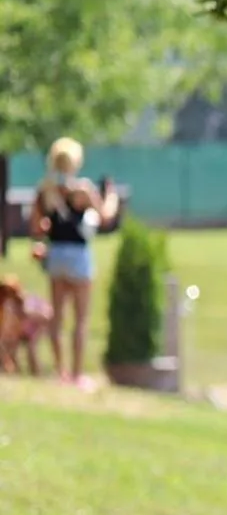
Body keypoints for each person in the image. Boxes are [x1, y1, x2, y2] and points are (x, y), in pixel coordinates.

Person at [29, 138, 116, 390]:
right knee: (80, 318)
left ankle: (60, 371)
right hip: (78, 255)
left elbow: (36, 227)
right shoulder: (83, 190)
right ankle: (77, 374)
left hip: (56, 254)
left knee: (57, 316)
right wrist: (110, 196)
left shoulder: (45, 191)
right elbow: (104, 217)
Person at [0, 274, 51, 376]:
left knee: (31, 350)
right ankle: (14, 371)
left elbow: (46, 315)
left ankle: (37, 373)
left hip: (32, 331)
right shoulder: (6, 305)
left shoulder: (27, 301)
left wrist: (28, 314)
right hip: (17, 332)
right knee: (9, 348)